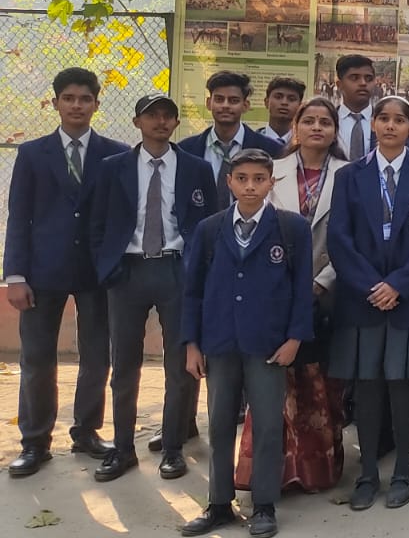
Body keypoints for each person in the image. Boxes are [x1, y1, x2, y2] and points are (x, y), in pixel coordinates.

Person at [179, 148, 314, 538]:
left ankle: (264, 505)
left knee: (269, 425)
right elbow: (193, 291)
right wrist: (191, 344)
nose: (250, 186)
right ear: (229, 182)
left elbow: (302, 289)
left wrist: (295, 338)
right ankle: (219, 503)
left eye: (259, 179)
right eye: (242, 179)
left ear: (272, 182)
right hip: (220, 342)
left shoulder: (291, 229)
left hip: (268, 345)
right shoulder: (210, 229)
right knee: (220, 423)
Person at [88, 94, 219, 482]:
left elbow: (209, 222)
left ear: (176, 123)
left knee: (179, 365)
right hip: (127, 272)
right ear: (137, 122)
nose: (160, 122)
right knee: (124, 365)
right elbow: (97, 223)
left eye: (168, 116)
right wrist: (107, 267)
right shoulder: (114, 167)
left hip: (177, 270)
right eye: (152, 116)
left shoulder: (196, 168)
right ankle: (123, 449)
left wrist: (200, 270)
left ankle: (173, 449)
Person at [326, 95, 409, 511]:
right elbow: (339, 239)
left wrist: (398, 285)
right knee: (367, 387)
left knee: (403, 385)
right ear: (373, 124)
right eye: (384, 118)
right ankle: (367, 474)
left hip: (408, 299)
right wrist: (371, 286)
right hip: (363, 300)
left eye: (400, 120)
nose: (391, 126)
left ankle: (402, 472)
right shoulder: (350, 175)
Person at [6, 68, 127, 477]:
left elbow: (119, 218)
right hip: (42, 272)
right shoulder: (32, 154)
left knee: (96, 356)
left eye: (85, 99)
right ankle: (34, 441)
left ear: (96, 104)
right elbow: (19, 216)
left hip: (96, 273)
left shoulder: (114, 154)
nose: (77, 105)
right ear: (55, 102)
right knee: (37, 359)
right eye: (69, 98)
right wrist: (15, 275)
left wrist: (115, 267)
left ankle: (87, 431)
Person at [236, 97, 348, 495]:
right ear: (296, 127)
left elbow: (352, 237)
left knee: (319, 378)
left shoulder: (349, 174)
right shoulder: (272, 171)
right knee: (273, 377)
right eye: (309, 120)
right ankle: (272, 471)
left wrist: (323, 280)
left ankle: (316, 470)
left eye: (325, 122)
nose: (317, 127)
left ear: (335, 131)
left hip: (328, 289)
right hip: (274, 292)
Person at [178, 71, 286, 209]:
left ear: (245, 105)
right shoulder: (186, 150)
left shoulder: (272, 150)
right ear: (209, 103)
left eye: (233, 100)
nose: (225, 105)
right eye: (219, 99)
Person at [335, 54, 378, 159]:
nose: (363, 83)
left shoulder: (383, 121)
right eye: (354, 78)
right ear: (339, 85)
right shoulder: (329, 120)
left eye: (368, 78)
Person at [261, 77, 306, 145]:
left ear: (300, 106)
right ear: (266, 102)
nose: (284, 102)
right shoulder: (250, 141)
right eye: (278, 97)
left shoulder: (305, 145)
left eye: (291, 99)